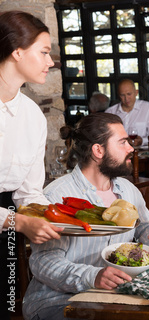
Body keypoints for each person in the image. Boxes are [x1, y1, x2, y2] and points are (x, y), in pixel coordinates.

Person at [22, 113, 149, 320]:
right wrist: (93, 276)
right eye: (122, 143)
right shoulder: (55, 196)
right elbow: (43, 262)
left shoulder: (127, 189)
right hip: (59, 300)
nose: (131, 148)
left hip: (113, 296)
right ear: (98, 150)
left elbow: (145, 227)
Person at [0, 11, 64, 318]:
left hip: (8, 227)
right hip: (13, 222)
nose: (50, 62)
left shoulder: (32, 116)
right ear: (17, 51)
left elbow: (29, 193)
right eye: (44, 51)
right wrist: (21, 223)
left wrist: (59, 219)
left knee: (8, 306)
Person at [105, 79, 149, 146]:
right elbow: (105, 139)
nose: (126, 98)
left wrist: (142, 141)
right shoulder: (110, 112)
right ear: (119, 96)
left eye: (129, 94)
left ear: (136, 92)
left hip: (142, 153)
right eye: (122, 95)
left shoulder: (147, 108)